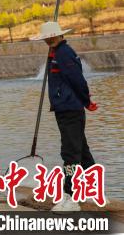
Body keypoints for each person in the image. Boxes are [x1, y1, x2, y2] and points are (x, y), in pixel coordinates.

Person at [31, 21, 98, 212]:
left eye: (48, 37)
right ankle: (93, 189)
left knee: (70, 155)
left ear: (56, 36)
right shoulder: (56, 53)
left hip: (70, 109)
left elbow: (77, 80)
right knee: (81, 152)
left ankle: (71, 197)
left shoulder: (64, 53)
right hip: (65, 108)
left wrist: (86, 101)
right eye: (45, 38)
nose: (46, 40)